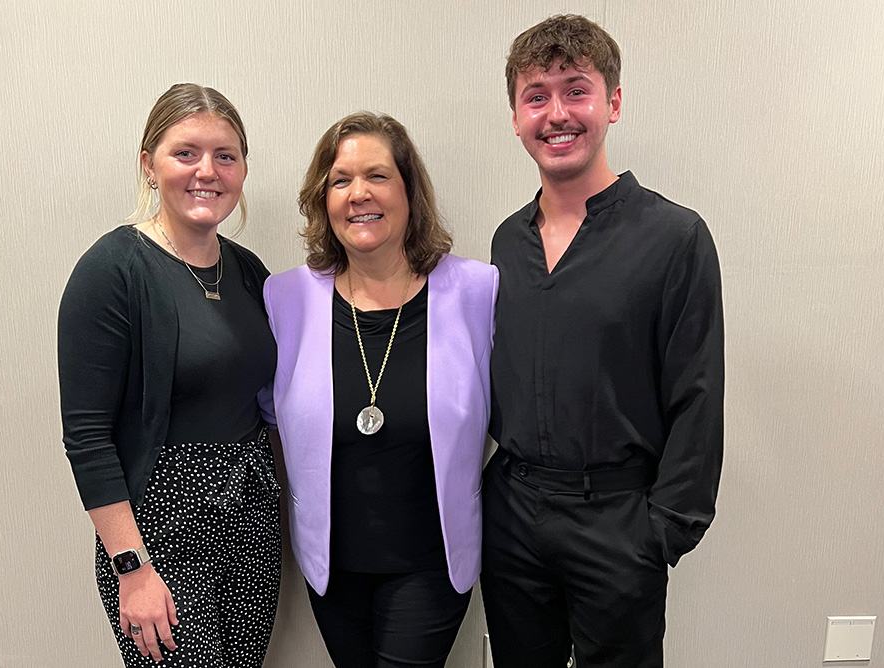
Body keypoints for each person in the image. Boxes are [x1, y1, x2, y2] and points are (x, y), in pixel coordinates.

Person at [481, 14, 725, 668]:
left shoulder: (674, 237)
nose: (556, 113)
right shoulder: (509, 240)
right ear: (515, 115)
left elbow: (697, 397)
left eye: (575, 90)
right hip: (514, 513)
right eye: (536, 96)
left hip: (618, 519)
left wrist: (661, 533)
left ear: (612, 103)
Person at [57, 83, 280, 667]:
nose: (207, 171)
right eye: (186, 153)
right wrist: (131, 569)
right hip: (159, 530)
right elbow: (86, 438)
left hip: (250, 518)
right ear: (148, 164)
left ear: (242, 170)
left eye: (225, 156)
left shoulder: (249, 271)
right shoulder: (113, 270)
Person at [264, 111, 497, 668]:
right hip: (332, 566)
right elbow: (266, 414)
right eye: (340, 180)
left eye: (377, 175)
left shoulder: (476, 291)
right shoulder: (286, 300)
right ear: (323, 200)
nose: (358, 194)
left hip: (432, 562)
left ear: (409, 191)